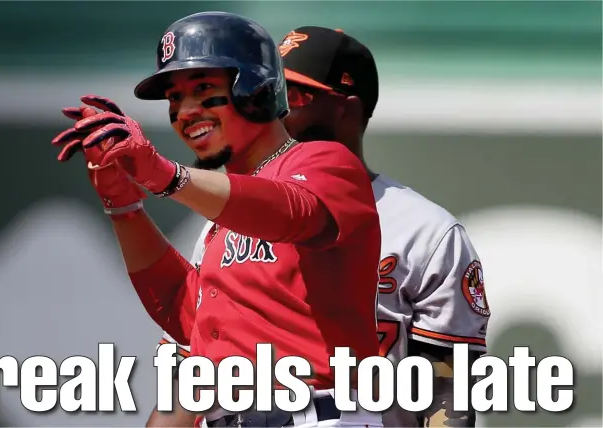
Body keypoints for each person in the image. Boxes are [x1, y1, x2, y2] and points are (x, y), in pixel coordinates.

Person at [149, 26, 491, 428]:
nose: (271, 102)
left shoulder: (425, 231)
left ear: (348, 108)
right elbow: (189, 376)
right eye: (265, 87)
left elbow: (448, 391)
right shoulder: (223, 223)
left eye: (294, 94)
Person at [52, 13, 383, 428]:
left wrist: (162, 173)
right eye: (174, 98)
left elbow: (296, 212)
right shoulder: (221, 223)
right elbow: (184, 313)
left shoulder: (323, 161)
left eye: (203, 89)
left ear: (254, 89)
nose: (185, 111)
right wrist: (123, 206)